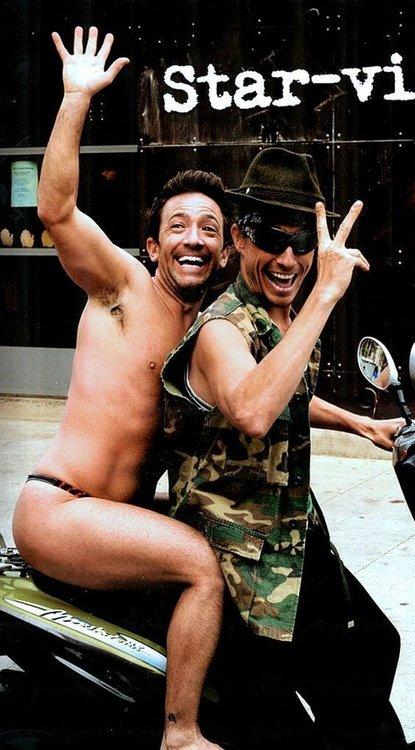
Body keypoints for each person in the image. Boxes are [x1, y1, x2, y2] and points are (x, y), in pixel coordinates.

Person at [12, 27, 229, 750]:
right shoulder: (124, 288)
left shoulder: (211, 334)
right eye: (179, 226)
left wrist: (365, 424)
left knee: (226, 541)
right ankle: (181, 733)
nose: (194, 237)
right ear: (154, 246)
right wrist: (76, 97)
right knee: (200, 567)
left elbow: (259, 396)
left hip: (110, 515)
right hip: (63, 508)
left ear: (223, 252)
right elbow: (56, 212)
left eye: (209, 228)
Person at [161, 147, 407, 749]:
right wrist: (326, 294)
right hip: (242, 557)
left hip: (292, 531)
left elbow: (289, 392)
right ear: (240, 239)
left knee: (379, 644)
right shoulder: (221, 329)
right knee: (313, 715)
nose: (289, 259)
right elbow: (252, 407)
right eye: (272, 238)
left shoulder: (281, 319)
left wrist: (361, 424)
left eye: (302, 243)